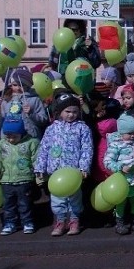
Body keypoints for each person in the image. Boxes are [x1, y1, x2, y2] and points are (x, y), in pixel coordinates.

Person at [35, 90, 94, 237]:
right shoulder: (52, 129)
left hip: (73, 171)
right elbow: (44, 148)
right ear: (60, 111)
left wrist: (84, 167)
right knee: (57, 198)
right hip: (56, 171)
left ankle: (74, 220)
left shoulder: (83, 128)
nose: (71, 114)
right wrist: (40, 167)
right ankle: (60, 221)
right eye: (67, 111)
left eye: (74, 111)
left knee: (74, 197)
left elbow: (87, 148)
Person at [0, 115, 39, 235]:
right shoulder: (1, 145)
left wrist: (39, 173)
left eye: (14, 137)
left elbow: (36, 159)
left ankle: (27, 222)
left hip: (24, 179)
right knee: (8, 205)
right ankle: (10, 223)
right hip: (6, 180)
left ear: (21, 133)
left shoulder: (31, 143)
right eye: (8, 136)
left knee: (25, 204)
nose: (10, 140)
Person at [104, 114, 134, 235]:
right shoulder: (115, 145)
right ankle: (120, 222)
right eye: (129, 133)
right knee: (120, 203)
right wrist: (121, 167)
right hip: (121, 181)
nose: (133, 135)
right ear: (121, 132)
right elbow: (107, 161)